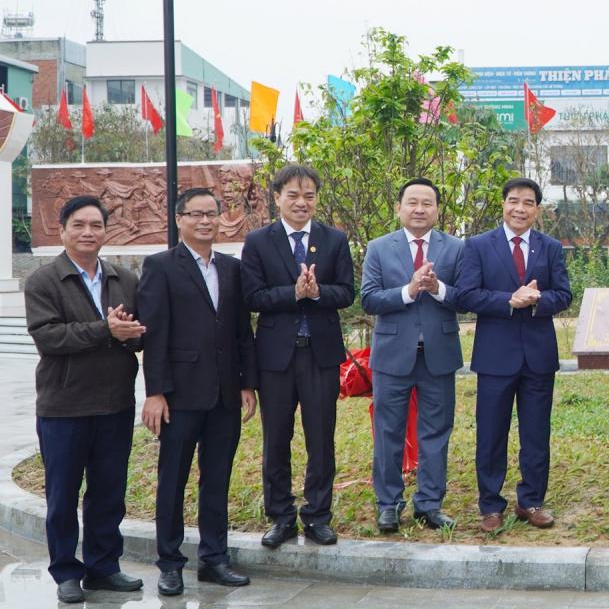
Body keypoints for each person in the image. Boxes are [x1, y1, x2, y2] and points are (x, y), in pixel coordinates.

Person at [25, 195, 146, 604]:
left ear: (105, 230)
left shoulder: (123, 278)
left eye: (96, 225)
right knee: (62, 495)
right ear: (62, 230)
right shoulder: (44, 281)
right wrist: (105, 330)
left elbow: (137, 332)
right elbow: (49, 337)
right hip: (64, 407)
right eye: (79, 225)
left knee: (109, 492)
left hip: (114, 404)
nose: (88, 232)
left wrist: (133, 334)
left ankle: (103, 566)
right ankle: (65, 571)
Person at [137, 188, 258, 596]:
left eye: (212, 214)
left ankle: (214, 558)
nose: (205, 221)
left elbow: (242, 330)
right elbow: (154, 336)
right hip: (180, 395)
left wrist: (247, 383)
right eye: (196, 214)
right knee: (173, 480)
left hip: (224, 394)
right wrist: (156, 392)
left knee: (217, 478)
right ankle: (170, 563)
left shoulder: (231, 268)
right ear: (179, 219)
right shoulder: (160, 267)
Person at [241, 164, 355, 548]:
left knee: (321, 437)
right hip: (275, 358)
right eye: (293, 195)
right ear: (277, 198)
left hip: (319, 355)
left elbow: (347, 293)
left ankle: (318, 515)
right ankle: (281, 516)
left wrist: (318, 292)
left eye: (309, 195)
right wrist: (293, 293)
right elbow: (252, 297)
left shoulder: (334, 239)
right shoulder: (258, 241)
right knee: (277, 438)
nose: (301, 202)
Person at [455, 177, 572, 532]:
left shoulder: (550, 247)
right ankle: (491, 506)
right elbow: (466, 295)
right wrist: (509, 299)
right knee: (491, 433)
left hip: (538, 356)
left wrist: (539, 300)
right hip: (495, 356)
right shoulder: (478, 246)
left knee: (536, 433)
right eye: (513, 201)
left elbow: (565, 294)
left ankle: (532, 501)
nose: (520, 208)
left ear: (537, 209)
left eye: (528, 203)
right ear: (503, 204)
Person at [360, 178, 464, 533]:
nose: (420, 209)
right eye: (412, 203)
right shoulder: (378, 248)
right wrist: (408, 290)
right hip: (392, 355)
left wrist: (438, 289)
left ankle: (430, 504)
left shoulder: (455, 248)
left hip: (439, 354)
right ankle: (388, 504)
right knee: (388, 431)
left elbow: (466, 298)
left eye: (427, 204)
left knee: (436, 431)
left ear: (437, 210)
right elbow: (369, 299)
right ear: (399, 208)